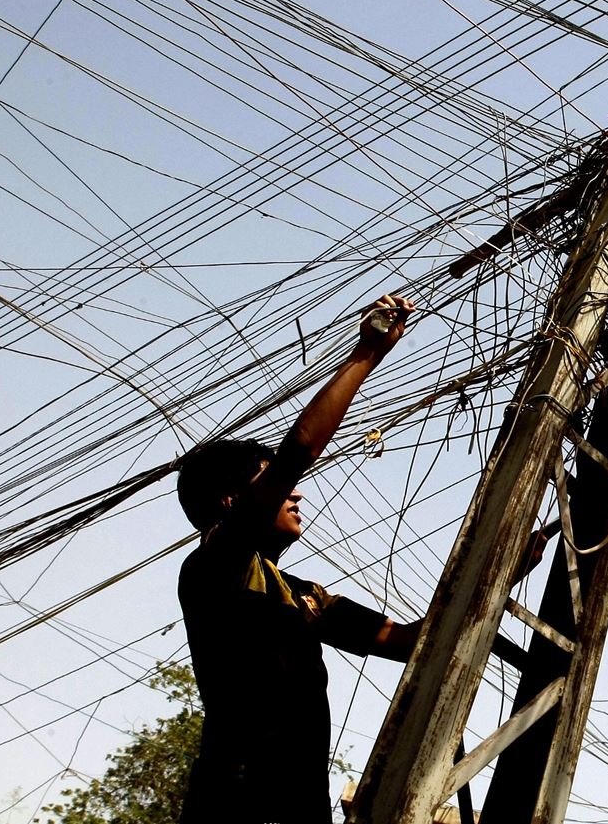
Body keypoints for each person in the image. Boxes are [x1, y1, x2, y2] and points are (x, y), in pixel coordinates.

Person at [174, 295, 545, 823]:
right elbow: (298, 450)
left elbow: (411, 640)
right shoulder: (213, 567)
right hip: (236, 803)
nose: (296, 494)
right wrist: (366, 355)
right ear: (232, 503)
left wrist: (503, 574)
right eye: (273, 483)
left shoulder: (301, 596)